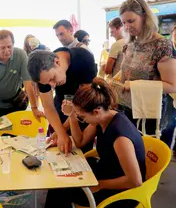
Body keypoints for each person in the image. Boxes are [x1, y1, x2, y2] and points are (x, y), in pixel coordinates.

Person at [45, 78, 146, 208]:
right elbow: (80, 142)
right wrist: (72, 116)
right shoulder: (102, 118)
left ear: (96, 112)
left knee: (61, 191)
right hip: (107, 171)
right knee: (59, 181)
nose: (83, 120)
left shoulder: (120, 137)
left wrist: (100, 185)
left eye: (82, 117)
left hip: (122, 190)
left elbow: (135, 181)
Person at [116, 0, 176, 146]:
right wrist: (113, 81)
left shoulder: (161, 45)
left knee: (146, 159)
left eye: (131, 21)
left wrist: (135, 85)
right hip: (126, 110)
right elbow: (126, 71)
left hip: (148, 114)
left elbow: (173, 85)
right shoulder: (129, 43)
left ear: (145, 17)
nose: (127, 26)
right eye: (123, 23)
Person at [28, 48, 97, 154]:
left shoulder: (83, 59)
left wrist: (63, 129)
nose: (53, 85)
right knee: (59, 151)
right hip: (61, 109)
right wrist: (61, 132)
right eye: (48, 83)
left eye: (52, 78)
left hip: (84, 112)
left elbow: (87, 102)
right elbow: (48, 107)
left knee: (80, 152)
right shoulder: (43, 75)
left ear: (57, 62)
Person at [0, 30, 44, 128]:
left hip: (16, 102)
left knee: (17, 132)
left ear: (13, 44)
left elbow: (28, 83)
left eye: (9, 47)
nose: (7, 50)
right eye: (2, 48)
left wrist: (34, 108)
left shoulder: (21, 55)